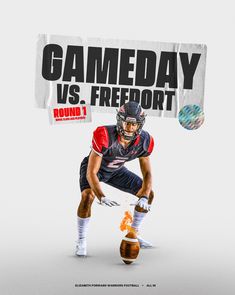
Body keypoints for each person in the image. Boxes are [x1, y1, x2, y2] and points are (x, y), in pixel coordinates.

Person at [76, 101, 155, 256]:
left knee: (149, 193)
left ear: (140, 124)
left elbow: (147, 173)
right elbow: (91, 173)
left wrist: (144, 196)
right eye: (127, 122)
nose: (130, 128)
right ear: (120, 120)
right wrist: (101, 196)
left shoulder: (145, 141)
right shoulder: (104, 134)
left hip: (116, 171)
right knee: (88, 196)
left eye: (134, 124)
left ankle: (134, 232)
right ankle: (81, 240)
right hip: (95, 170)